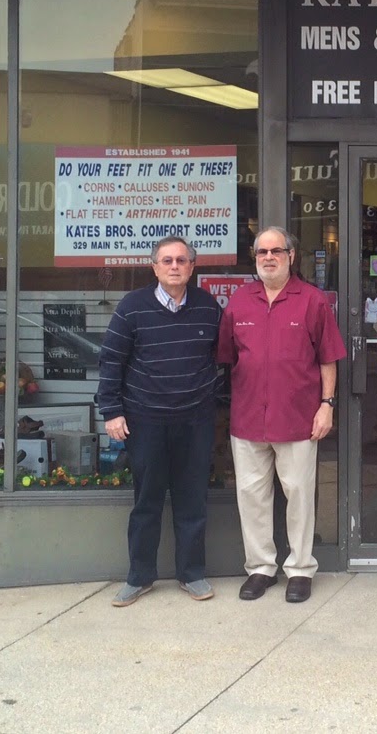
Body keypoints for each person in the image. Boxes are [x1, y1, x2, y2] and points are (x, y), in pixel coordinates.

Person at [217, 226, 346, 603]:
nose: (269, 258)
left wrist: (327, 405)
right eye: (262, 253)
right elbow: (227, 358)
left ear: (292, 256)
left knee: (300, 496)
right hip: (248, 419)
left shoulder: (312, 301)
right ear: (254, 258)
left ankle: (301, 569)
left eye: (276, 251)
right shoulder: (239, 302)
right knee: (252, 497)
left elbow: (328, 358)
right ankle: (260, 568)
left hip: (298, 419)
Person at [97, 236, 221, 607]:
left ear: (192, 267)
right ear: (154, 267)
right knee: (147, 500)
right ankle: (139, 577)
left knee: (192, 500)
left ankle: (192, 574)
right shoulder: (133, 308)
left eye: (181, 260)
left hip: (195, 421)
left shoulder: (208, 307)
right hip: (145, 420)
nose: (174, 266)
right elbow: (111, 361)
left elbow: (224, 359)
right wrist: (111, 411)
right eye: (166, 260)